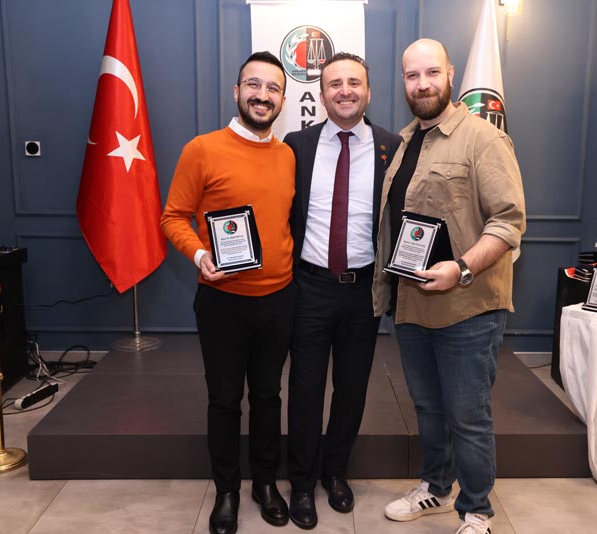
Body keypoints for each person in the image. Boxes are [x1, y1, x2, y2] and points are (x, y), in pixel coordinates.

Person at [374, 39, 526, 534]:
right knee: (429, 408)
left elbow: (508, 222)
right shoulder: (405, 143)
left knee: (468, 416)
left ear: (451, 73)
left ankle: (477, 511)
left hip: (468, 306)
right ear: (403, 81)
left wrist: (460, 268)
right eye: (412, 75)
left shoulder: (483, 139)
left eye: (431, 73)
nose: (422, 84)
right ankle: (437, 489)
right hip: (412, 305)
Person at [161, 51, 296, 534]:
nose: (262, 95)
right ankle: (226, 491)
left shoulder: (288, 156)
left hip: (279, 298)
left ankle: (265, 483)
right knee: (224, 401)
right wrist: (200, 255)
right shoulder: (201, 149)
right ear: (237, 92)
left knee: (267, 397)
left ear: (283, 99)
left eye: (273, 88)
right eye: (253, 85)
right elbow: (173, 217)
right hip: (222, 302)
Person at [283, 52, 400, 530]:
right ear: (321, 93)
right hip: (310, 287)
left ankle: (336, 472)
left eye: (354, 82)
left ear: (368, 92)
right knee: (305, 390)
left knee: (352, 389)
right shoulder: (297, 145)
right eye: (335, 83)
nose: (345, 90)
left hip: (363, 291)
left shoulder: (393, 147)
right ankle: (302, 482)